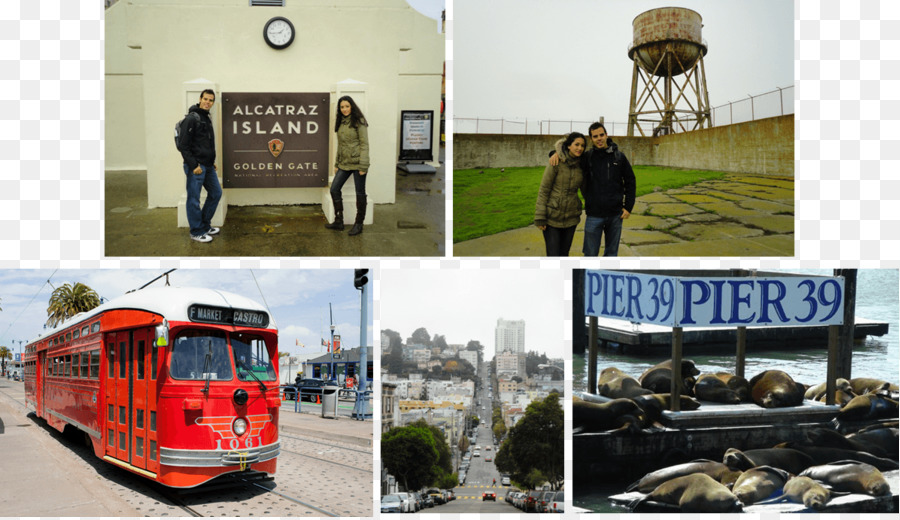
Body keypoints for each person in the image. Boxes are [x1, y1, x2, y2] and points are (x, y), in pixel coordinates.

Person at [554, 123, 635, 256]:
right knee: (590, 254)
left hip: (615, 215)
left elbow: (630, 181)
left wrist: (628, 206)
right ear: (591, 139)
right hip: (594, 215)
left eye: (601, 135)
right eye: (595, 136)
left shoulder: (619, 157)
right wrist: (555, 153)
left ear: (606, 135)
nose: (599, 139)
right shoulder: (587, 157)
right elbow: (570, 155)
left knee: (611, 254)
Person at [178, 89, 222, 243]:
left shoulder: (206, 117)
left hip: (208, 166)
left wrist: (211, 161)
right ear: (200, 99)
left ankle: (204, 225)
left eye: (211, 100)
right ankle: (196, 231)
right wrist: (193, 165)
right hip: (196, 167)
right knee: (193, 199)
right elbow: (183, 145)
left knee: (216, 193)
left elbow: (205, 143)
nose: (207, 102)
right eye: (205, 99)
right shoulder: (192, 118)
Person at [534, 132, 586, 256]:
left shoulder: (582, 165)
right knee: (553, 255)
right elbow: (544, 189)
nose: (579, 148)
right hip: (552, 218)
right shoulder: (555, 162)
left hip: (571, 218)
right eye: (576, 144)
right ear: (568, 146)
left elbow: (586, 190)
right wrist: (540, 216)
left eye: (582, 145)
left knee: (564, 254)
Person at [325, 95, 370, 236]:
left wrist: (363, 165)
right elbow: (341, 145)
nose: (344, 109)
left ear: (352, 106)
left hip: (358, 164)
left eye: (347, 106)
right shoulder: (341, 123)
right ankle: (339, 221)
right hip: (344, 164)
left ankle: (359, 224)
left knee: (360, 193)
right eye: (342, 107)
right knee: (334, 189)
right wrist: (337, 163)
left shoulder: (359, 121)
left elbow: (364, 144)